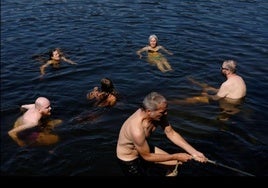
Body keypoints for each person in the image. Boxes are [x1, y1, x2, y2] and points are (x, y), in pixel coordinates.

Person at [116, 92, 207, 176]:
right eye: (162, 112)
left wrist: (194, 152)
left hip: (144, 148)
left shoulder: (159, 114)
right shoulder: (136, 129)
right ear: (149, 111)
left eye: (165, 110)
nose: (166, 113)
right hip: (129, 160)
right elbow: (147, 156)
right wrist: (176, 156)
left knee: (174, 165)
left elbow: (171, 133)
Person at [171, 60, 246, 121]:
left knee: (196, 99)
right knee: (206, 87)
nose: (221, 69)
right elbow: (227, 91)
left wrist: (206, 95)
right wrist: (210, 89)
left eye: (222, 68)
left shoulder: (226, 84)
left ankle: (171, 103)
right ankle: (192, 81)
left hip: (228, 107)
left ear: (228, 70)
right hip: (238, 105)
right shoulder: (239, 78)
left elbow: (216, 98)